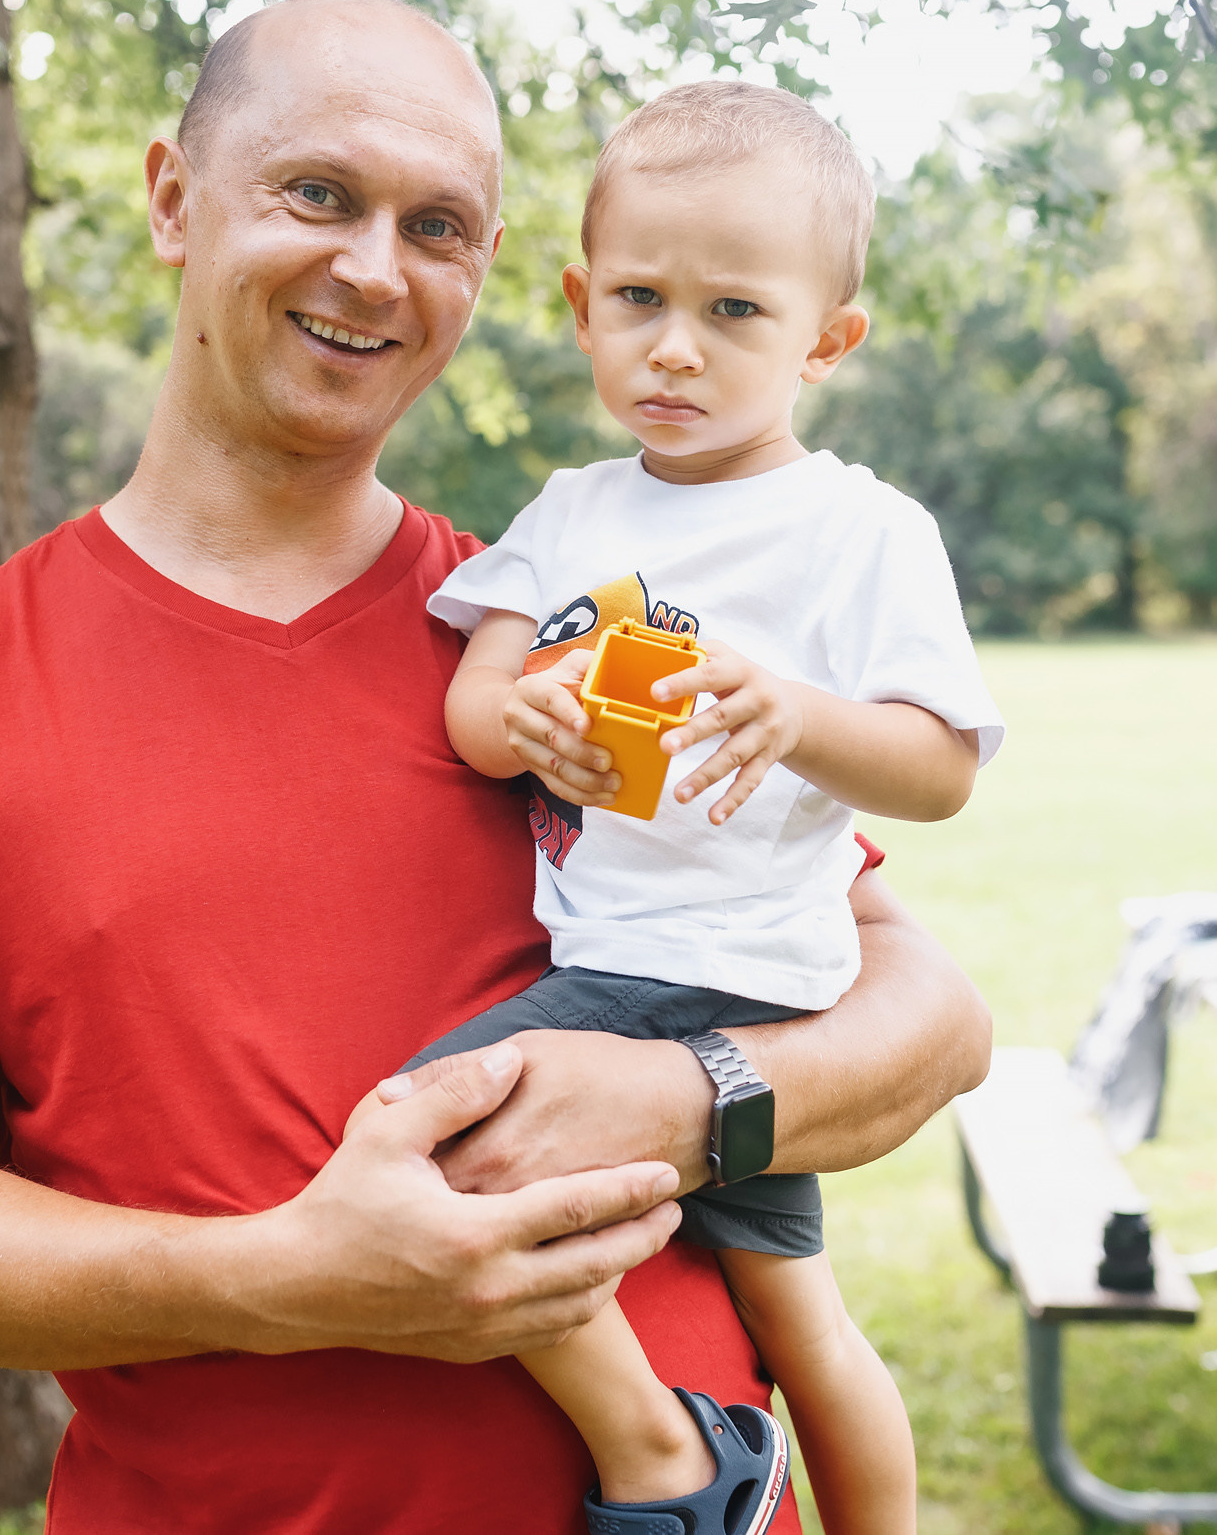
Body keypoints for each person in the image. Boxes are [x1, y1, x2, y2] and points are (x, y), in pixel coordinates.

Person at [0, 0, 992, 1535]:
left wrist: (688, 1100)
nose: (372, 269)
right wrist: (281, 1281)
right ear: (172, 200)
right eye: (316, 194)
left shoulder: (572, 635)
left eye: (440, 226)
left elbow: (930, 1020)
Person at [407, 81, 1004, 1535]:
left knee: (428, 1154)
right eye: (640, 298)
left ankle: (664, 1458)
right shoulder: (574, 516)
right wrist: (523, 718)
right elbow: (474, 706)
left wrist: (798, 719)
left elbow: (939, 770)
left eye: (736, 311)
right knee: (802, 1321)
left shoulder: (860, 531)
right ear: (579, 303)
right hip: (634, 962)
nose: (675, 346)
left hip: (730, 975)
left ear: (828, 340)